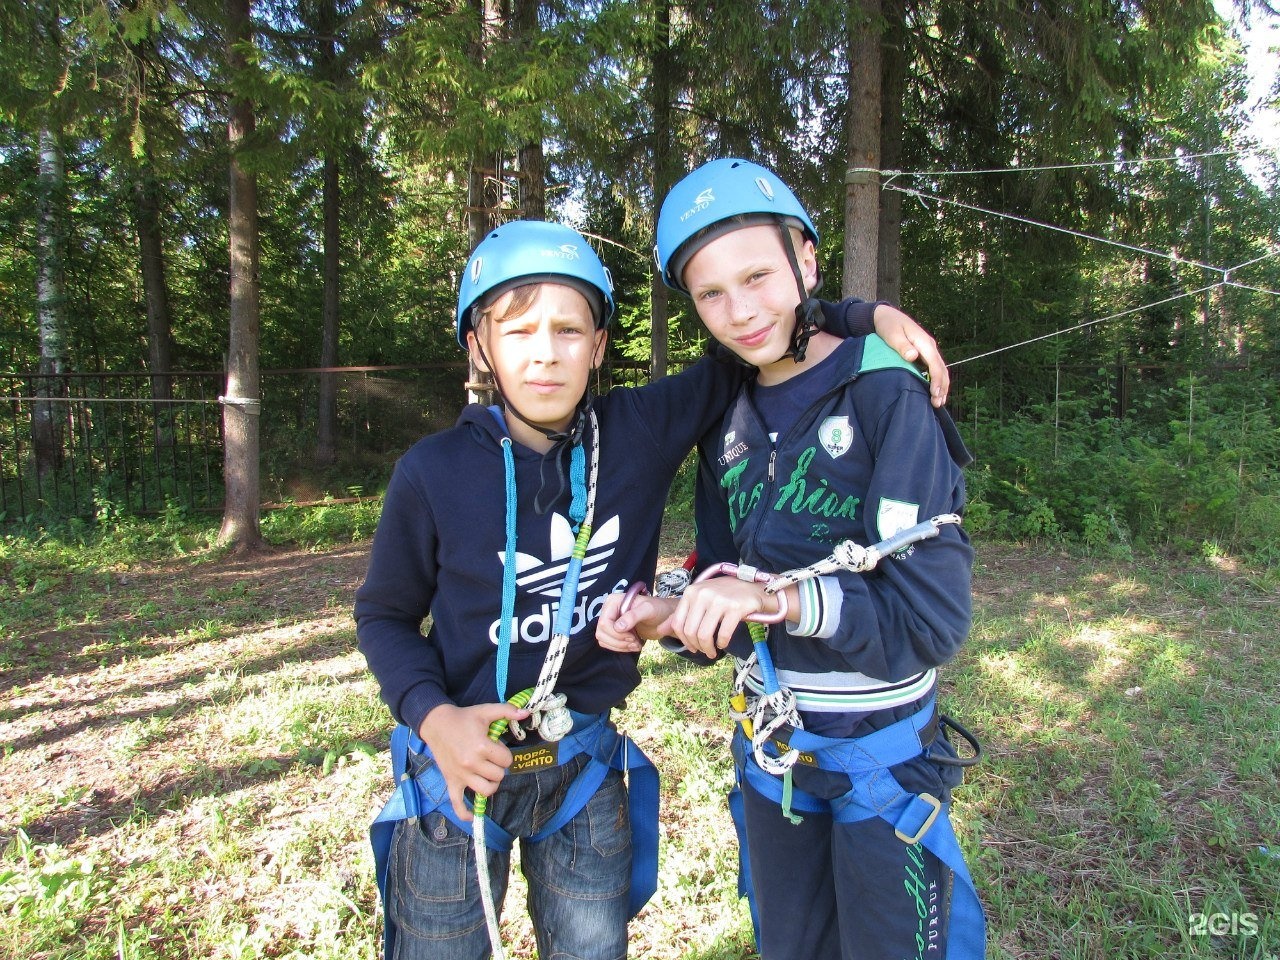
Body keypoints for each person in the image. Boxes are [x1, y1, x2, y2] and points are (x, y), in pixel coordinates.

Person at [354, 218, 951, 960]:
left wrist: (868, 318)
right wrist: (433, 717)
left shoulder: (636, 428)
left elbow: (756, 330)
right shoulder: (431, 472)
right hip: (454, 771)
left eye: (571, 331)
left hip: (583, 768)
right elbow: (383, 614)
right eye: (518, 332)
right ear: (479, 346)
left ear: (600, 346)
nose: (546, 353)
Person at [599, 158, 986, 960]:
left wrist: (776, 601)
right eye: (710, 293)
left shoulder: (888, 395)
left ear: (805, 260)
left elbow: (933, 621)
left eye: (757, 277)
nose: (739, 312)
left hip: (881, 758)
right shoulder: (725, 408)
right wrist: (671, 614)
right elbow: (724, 577)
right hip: (776, 761)